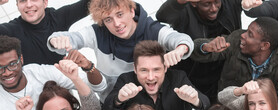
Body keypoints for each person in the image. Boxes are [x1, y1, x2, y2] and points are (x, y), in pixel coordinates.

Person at [47, 0, 194, 103]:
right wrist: (56, 40)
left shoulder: (153, 29)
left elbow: (179, 38)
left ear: (131, 11)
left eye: (119, 14)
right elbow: (72, 38)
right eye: (108, 19)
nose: (117, 24)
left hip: (150, 102)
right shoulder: (97, 33)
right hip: (112, 102)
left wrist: (181, 49)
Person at [103, 40, 210, 110]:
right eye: (144, 70)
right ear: (135, 69)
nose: (150, 77)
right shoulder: (126, 79)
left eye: (156, 70)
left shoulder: (178, 77)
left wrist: (195, 99)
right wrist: (119, 99)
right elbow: (107, 107)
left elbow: (205, 103)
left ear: (165, 68)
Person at [190, 16, 278, 97]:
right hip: (230, 107)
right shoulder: (237, 39)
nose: (243, 35)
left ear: (264, 46)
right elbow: (193, 49)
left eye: (250, 34)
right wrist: (206, 47)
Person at [156, 0, 242, 102]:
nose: (214, 8)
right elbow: (162, 16)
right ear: (194, 3)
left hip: (219, 76)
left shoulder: (230, 4)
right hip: (190, 74)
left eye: (217, 2)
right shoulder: (184, 11)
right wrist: (178, 2)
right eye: (207, 4)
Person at [0, 0, 91, 65]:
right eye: (23, 1)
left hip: (62, 84)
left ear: (45, 2)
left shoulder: (58, 17)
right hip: (32, 88)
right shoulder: (11, 29)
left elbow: (94, 3)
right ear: (17, 6)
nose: (28, 4)